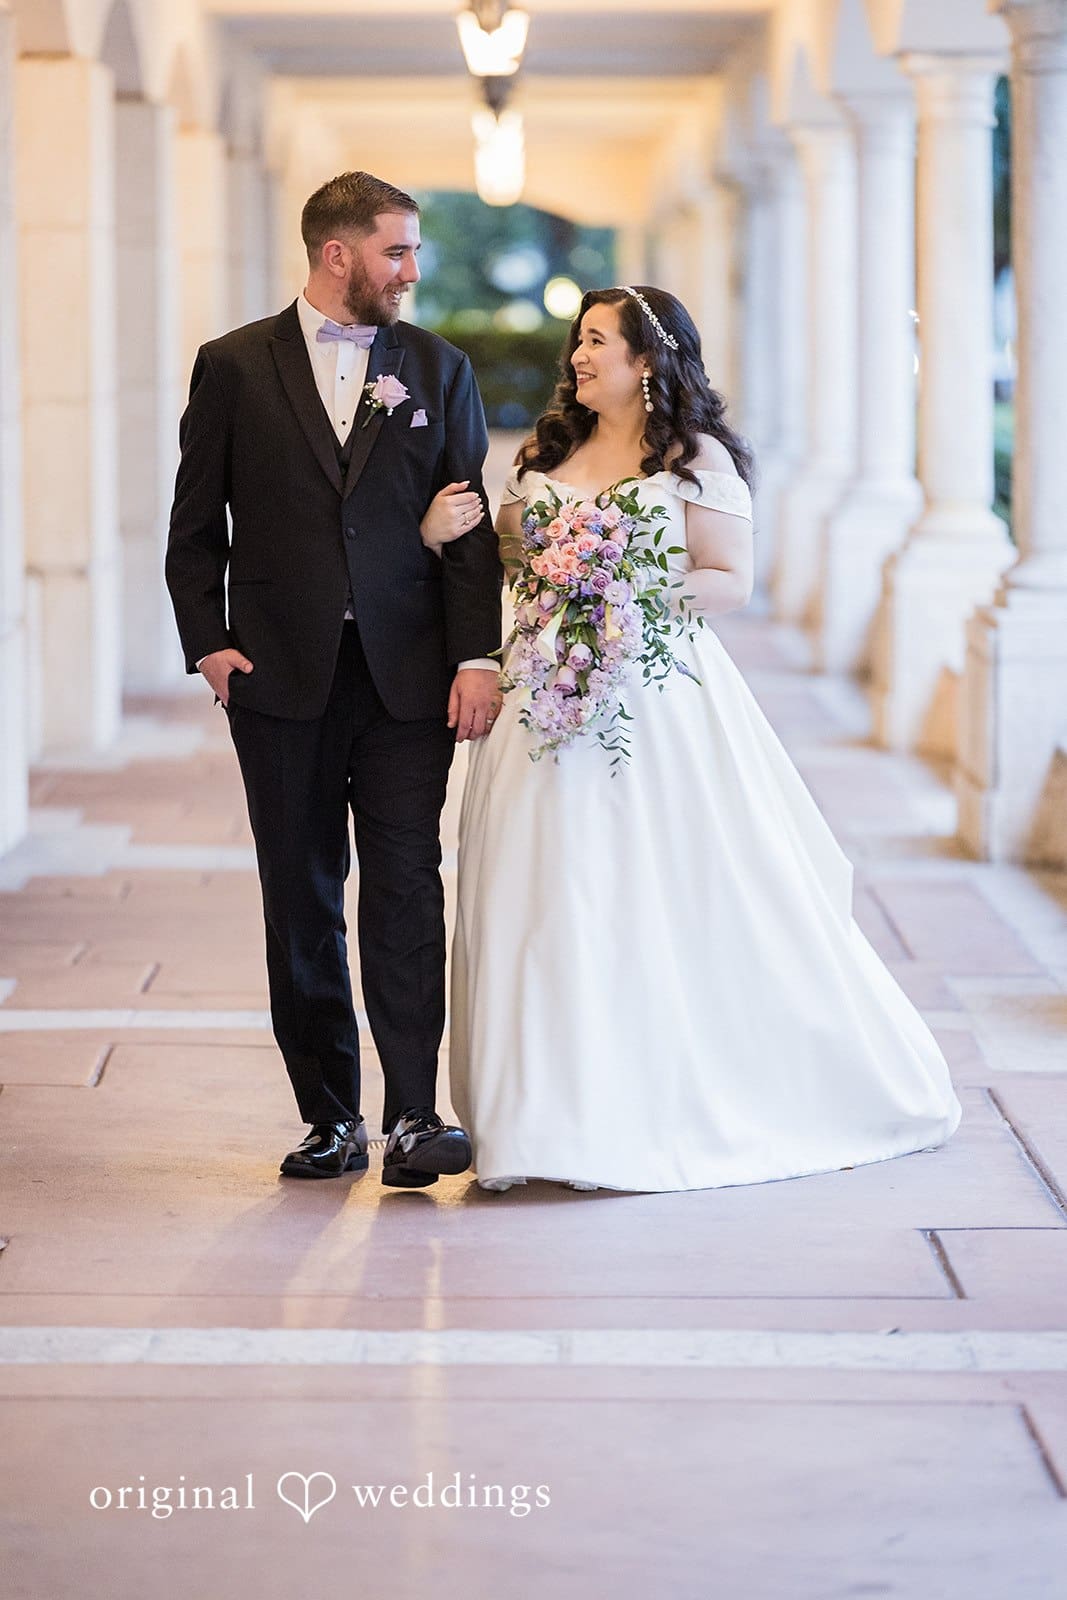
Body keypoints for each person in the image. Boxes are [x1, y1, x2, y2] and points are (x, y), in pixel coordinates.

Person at [448, 285, 962, 1194]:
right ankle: (541, 1119)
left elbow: (729, 578)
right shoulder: (548, 451)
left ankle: (651, 1103)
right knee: (543, 896)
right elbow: (510, 563)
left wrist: (623, 599)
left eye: (596, 340)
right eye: (578, 340)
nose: (578, 354)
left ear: (647, 359)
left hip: (654, 702)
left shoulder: (693, 457)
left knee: (647, 889)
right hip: (541, 701)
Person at [165, 171, 503, 1187]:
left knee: (405, 885)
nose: (411, 270)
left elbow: (471, 528)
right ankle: (328, 1118)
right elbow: (193, 525)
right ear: (336, 254)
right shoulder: (231, 365)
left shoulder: (436, 368)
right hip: (278, 679)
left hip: (407, 683)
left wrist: (475, 654)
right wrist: (208, 642)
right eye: (396, 251)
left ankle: (411, 1115)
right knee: (300, 895)